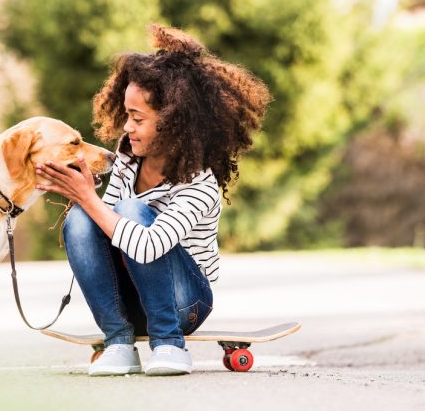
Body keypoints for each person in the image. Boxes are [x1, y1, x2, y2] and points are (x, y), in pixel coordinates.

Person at [35, 24, 271, 376]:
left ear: (174, 122)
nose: (126, 127)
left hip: (185, 303)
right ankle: (118, 342)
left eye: (137, 118)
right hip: (132, 297)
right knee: (82, 219)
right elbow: (106, 222)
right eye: (126, 115)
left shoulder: (200, 183)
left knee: (129, 210)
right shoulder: (129, 157)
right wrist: (80, 194)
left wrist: (88, 198)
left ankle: (169, 344)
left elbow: (148, 246)